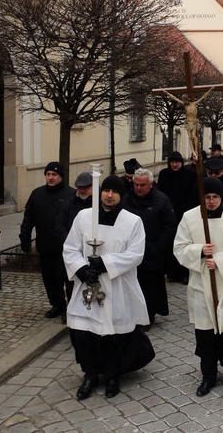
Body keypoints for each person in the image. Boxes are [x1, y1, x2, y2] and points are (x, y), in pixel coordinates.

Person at [63, 174, 154, 400]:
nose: (110, 195)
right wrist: (83, 270)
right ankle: (90, 375)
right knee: (83, 333)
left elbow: (136, 254)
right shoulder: (84, 217)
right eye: (106, 190)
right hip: (87, 285)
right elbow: (70, 248)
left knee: (114, 335)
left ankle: (113, 376)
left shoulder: (132, 221)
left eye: (115, 192)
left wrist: (104, 264)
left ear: (122, 195)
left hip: (117, 286)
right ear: (100, 192)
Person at [173, 177, 223, 395]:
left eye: (215, 197)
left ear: (221, 197)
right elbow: (179, 247)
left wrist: (219, 260)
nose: (211, 202)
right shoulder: (189, 217)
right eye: (207, 197)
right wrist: (199, 251)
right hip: (202, 284)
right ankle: (208, 375)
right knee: (206, 334)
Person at [122, 168, 176, 330]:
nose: (138, 188)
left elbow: (170, 225)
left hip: (152, 251)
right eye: (136, 185)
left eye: (143, 185)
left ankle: (148, 315)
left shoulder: (161, 200)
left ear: (150, 185)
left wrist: (159, 247)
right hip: (131, 252)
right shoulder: (126, 199)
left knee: (151, 287)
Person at [20, 161, 75, 319]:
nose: (51, 178)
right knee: (50, 279)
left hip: (65, 248)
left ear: (61, 177)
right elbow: (28, 217)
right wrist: (24, 238)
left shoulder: (70, 195)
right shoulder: (37, 194)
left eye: (54, 175)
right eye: (48, 174)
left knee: (67, 280)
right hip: (45, 245)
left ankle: (70, 310)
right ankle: (57, 304)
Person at [54, 171, 94, 321]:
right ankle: (71, 311)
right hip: (72, 251)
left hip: (92, 250)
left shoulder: (97, 203)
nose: (82, 190)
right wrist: (72, 243)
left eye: (86, 187)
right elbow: (59, 226)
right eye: (79, 187)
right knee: (71, 283)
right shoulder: (69, 204)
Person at [157, 150, 197, 284]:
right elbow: (160, 193)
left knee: (184, 243)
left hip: (185, 212)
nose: (174, 165)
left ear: (182, 163)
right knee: (170, 244)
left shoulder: (190, 174)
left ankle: (184, 272)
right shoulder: (164, 174)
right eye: (172, 162)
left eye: (177, 162)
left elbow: (194, 193)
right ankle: (171, 272)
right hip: (168, 213)